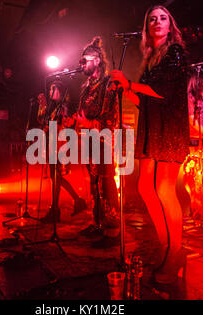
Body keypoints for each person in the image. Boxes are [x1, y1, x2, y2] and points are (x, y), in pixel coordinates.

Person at [110, 5, 189, 285]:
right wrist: (126, 89)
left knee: (164, 188)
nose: (157, 21)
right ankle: (165, 243)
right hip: (151, 125)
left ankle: (176, 251)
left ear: (170, 26)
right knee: (145, 186)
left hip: (169, 126)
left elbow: (164, 93)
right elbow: (145, 100)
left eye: (163, 18)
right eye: (152, 18)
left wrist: (130, 83)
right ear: (146, 27)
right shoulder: (150, 59)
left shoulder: (175, 53)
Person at [73, 36, 120, 245]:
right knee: (93, 184)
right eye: (81, 60)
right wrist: (74, 122)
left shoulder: (109, 83)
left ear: (98, 61)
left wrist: (88, 124)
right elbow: (81, 114)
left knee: (106, 183)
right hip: (88, 141)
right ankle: (98, 222)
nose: (81, 63)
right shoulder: (85, 87)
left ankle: (113, 229)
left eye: (85, 59)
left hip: (104, 140)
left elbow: (111, 118)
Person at [38, 81, 87, 222]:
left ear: (60, 91)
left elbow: (59, 124)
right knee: (56, 178)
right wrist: (42, 106)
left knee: (56, 177)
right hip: (54, 144)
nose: (50, 92)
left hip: (59, 145)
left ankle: (57, 210)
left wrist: (49, 124)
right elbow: (42, 121)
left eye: (53, 89)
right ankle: (74, 202)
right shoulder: (55, 107)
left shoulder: (63, 107)